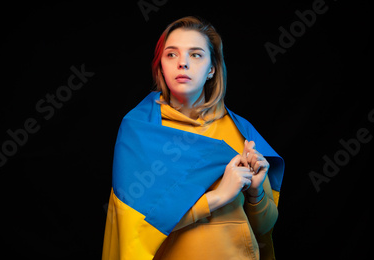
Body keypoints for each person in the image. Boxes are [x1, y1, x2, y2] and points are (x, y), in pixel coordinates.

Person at [102, 16, 285, 260]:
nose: (183, 63)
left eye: (196, 54)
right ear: (161, 66)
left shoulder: (241, 131)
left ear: (212, 68)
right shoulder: (140, 131)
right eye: (172, 54)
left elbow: (264, 228)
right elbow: (136, 228)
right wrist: (218, 197)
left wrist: (255, 193)